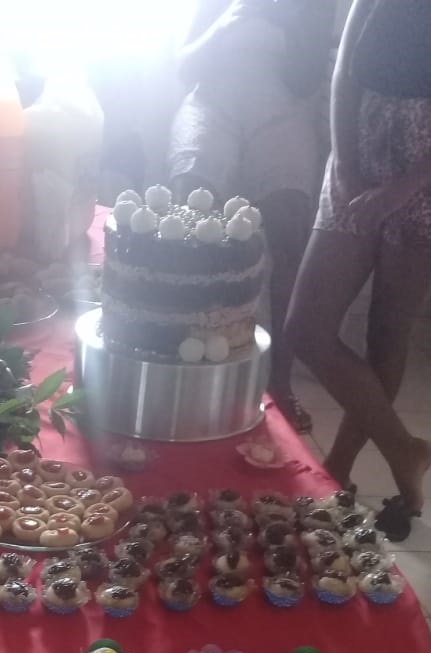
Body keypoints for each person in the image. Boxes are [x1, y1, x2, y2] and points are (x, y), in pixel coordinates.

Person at [286, 0, 431, 541]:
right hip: (361, 147)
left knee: (387, 328)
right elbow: (344, 70)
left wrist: (404, 187)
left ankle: (337, 468)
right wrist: (347, 164)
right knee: (306, 327)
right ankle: (405, 450)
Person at [169, 0, 335, 431]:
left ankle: (280, 381)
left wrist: (284, 17)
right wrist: (229, 20)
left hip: (282, 103)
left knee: (289, 225)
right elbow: (186, 67)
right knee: (190, 206)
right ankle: (190, 360)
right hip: (212, 97)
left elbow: (306, 80)